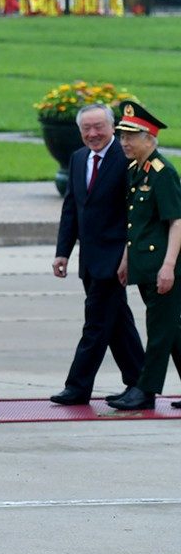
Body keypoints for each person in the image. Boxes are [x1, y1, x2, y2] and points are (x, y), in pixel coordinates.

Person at [52, 102, 144, 404]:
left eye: (99, 127)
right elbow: (72, 209)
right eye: (86, 129)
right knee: (118, 324)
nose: (93, 134)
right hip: (89, 259)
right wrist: (63, 251)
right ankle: (140, 383)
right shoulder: (78, 158)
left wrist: (129, 255)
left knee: (95, 323)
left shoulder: (126, 159)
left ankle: (78, 387)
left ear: (112, 127)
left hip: (116, 258)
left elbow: (137, 215)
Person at [107, 103, 181, 412]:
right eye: (121, 136)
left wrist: (169, 266)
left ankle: (146, 391)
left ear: (150, 137)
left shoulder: (163, 174)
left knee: (160, 330)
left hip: (163, 267)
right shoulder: (135, 170)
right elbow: (134, 222)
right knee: (173, 331)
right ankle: (144, 388)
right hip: (144, 265)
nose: (124, 143)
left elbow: (176, 221)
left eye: (131, 137)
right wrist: (126, 259)